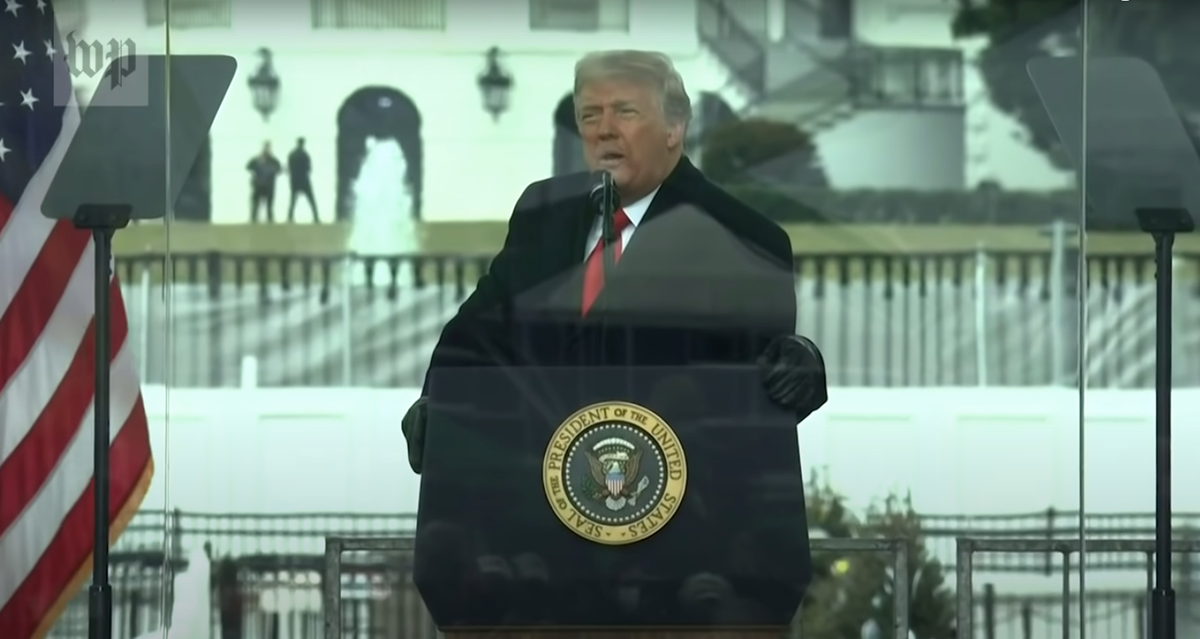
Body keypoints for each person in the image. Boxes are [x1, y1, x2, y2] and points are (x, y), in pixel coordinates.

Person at [403, 50, 826, 469]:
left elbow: (759, 399)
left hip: (675, 506)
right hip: (531, 492)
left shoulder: (744, 236)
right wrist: (436, 400)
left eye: (625, 112)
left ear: (674, 127)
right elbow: (477, 333)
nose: (604, 130)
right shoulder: (543, 212)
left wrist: (798, 364)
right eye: (589, 115)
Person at [247, 142, 281, 223]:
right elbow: (248, 166)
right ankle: (255, 220)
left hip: (264, 186)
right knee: (258, 205)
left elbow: (279, 169)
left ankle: (263, 220)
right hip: (261, 186)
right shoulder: (260, 160)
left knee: (266, 205)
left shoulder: (270, 160)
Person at [287, 137, 319, 223]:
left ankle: (290, 217)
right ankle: (316, 217)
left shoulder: (292, 155)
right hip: (304, 180)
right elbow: (309, 168)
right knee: (311, 199)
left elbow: (289, 168)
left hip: (294, 180)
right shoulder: (305, 155)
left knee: (293, 200)